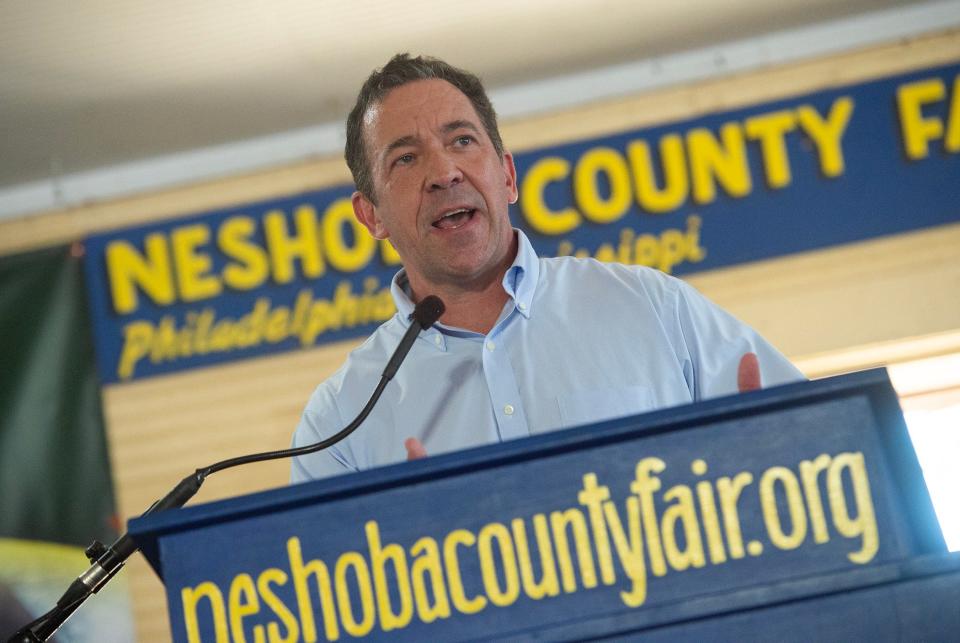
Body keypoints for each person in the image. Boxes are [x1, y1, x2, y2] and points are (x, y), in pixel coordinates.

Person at [290, 54, 803, 482]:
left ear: (508, 175)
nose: (444, 172)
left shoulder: (652, 308)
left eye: (462, 141)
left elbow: (820, 449)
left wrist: (763, 457)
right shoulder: (339, 424)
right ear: (371, 215)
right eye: (405, 159)